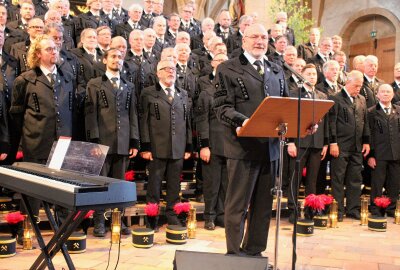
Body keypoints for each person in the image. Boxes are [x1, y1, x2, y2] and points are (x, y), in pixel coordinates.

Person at [213, 23, 288, 256]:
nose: (260, 40)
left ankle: (254, 250)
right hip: (242, 147)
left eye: (264, 37)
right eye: (254, 36)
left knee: (264, 206)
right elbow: (221, 106)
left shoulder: (277, 70)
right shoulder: (228, 68)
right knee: (237, 205)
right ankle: (234, 254)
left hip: (271, 149)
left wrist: (302, 123)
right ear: (243, 40)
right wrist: (242, 121)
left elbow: (284, 105)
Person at [10, 34, 83, 243]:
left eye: (55, 48)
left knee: (61, 187)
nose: (54, 52)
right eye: (49, 49)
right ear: (38, 53)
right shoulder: (24, 80)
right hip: (36, 142)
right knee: (33, 190)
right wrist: (20, 144)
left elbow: (72, 112)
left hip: (62, 142)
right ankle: (28, 231)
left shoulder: (67, 77)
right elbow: (16, 116)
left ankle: (61, 230)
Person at [85, 48, 139, 237]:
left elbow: (132, 114)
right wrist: (94, 141)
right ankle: (99, 221)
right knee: (101, 183)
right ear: (105, 59)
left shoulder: (128, 86)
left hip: (123, 142)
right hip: (102, 143)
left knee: (119, 184)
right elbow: (91, 114)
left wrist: (134, 141)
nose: (117, 60)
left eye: (120, 57)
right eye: (114, 57)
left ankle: (118, 219)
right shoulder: (95, 84)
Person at [139, 60, 192, 230]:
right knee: (154, 186)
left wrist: (188, 146)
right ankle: (152, 218)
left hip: (177, 147)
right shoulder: (148, 93)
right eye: (166, 69)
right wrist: (145, 147)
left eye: (173, 69)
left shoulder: (182, 93)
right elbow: (144, 121)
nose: (171, 72)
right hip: (156, 148)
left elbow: (187, 122)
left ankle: (172, 215)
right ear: (158, 73)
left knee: (174, 185)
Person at [286, 64, 328, 223]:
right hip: (299, 142)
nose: (312, 76)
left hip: (316, 143)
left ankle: (311, 209)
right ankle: (293, 209)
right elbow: (289, 119)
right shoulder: (294, 93)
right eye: (309, 74)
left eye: (314, 74)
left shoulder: (322, 96)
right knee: (295, 177)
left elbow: (326, 121)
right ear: (302, 75)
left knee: (312, 179)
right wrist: (290, 142)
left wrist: (325, 143)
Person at [329, 70, 370, 221]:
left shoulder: (361, 99)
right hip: (340, 146)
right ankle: (338, 210)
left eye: (360, 86)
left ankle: (353, 209)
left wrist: (366, 141)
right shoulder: (336, 98)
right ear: (347, 82)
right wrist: (333, 143)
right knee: (338, 179)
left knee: (355, 179)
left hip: (357, 146)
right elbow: (331, 123)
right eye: (356, 85)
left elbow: (364, 122)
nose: (358, 89)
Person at [195, 52, 228, 230]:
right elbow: (202, 121)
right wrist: (204, 145)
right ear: (213, 65)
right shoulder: (206, 93)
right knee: (211, 184)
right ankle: (210, 216)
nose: (222, 63)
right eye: (219, 60)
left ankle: (222, 215)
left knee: (226, 184)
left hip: (229, 145)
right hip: (213, 145)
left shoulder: (232, 90)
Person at [367, 84, 400, 217]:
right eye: (383, 91)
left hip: (396, 154)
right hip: (378, 154)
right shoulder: (371, 112)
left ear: (392, 95)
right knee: (377, 183)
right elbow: (368, 135)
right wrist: (370, 156)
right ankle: (376, 208)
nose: (386, 94)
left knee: (394, 183)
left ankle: (391, 208)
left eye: (388, 92)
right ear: (377, 95)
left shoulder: (398, 110)